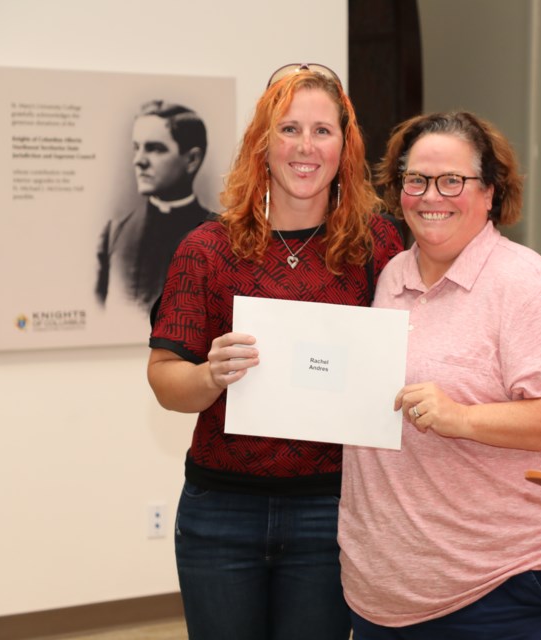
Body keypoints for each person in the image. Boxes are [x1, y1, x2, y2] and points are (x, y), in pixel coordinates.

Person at [146, 64, 403, 640]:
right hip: (221, 512)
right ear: (262, 143)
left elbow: (412, 350)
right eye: (288, 129)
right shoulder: (207, 249)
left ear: (345, 145)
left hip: (331, 510)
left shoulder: (378, 244)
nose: (305, 147)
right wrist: (211, 374)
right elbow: (165, 381)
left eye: (322, 131)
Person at [339, 111, 541, 640]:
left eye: (452, 181)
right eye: (415, 180)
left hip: (508, 586)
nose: (430, 195)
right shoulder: (390, 275)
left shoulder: (524, 284)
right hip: (389, 591)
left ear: (490, 192)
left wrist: (463, 418)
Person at [95, 100, 213, 311]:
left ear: (192, 160)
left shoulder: (221, 238)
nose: (139, 161)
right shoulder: (115, 233)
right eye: (136, 148)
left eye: (155, 149)